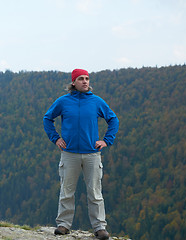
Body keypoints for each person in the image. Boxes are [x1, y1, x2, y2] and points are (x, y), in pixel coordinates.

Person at [43, 69, 119, 240]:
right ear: (73, 82)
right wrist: (55, 138)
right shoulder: (63, 102)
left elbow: (113, 119)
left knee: (94, 192)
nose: (85, 81)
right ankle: (63, 225)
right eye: (81, 79)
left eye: (87, 78)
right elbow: (47, 118)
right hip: (69, 154)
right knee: (67, 191)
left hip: (92, 154)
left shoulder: (96, 101)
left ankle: (100, 228)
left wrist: (106, 140)